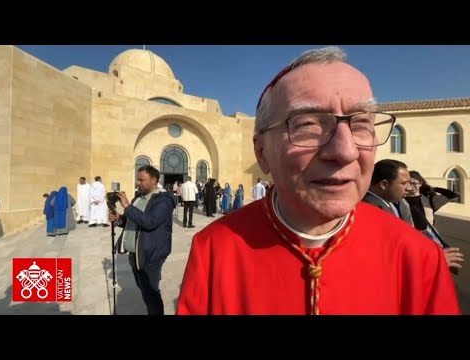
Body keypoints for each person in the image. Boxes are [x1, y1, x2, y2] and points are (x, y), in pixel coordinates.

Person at [176, 46, 461, 315]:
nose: (345, 151)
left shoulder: (419, 257)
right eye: (308, 124)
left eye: (361, 124)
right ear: (262, 152)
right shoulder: (214, 250)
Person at [109, 165, 176, 315]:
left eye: (142, 180)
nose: (138, 183)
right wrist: (119, 219)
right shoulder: (138, 198)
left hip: (151, 255)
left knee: (151, 293)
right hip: (135, 254)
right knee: (144, 289)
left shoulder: (163, 200)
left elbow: (150, 222)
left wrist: (126, 205)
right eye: (137, 179)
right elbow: (131, 221)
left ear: (154, 180)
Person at [405, 170, 464, 270]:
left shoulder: (429, 199)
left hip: (428, 236)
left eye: (414, 183)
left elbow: (452, 195)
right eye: (408, 183)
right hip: (410, 237)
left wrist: (432, 188)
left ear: (420, 184)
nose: (411, 186)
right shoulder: (400, 199)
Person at [362, 159, 414, 226]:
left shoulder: (399, 203)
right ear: (384, 184)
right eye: (404, 183)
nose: (409, 188)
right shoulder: (369, 208)